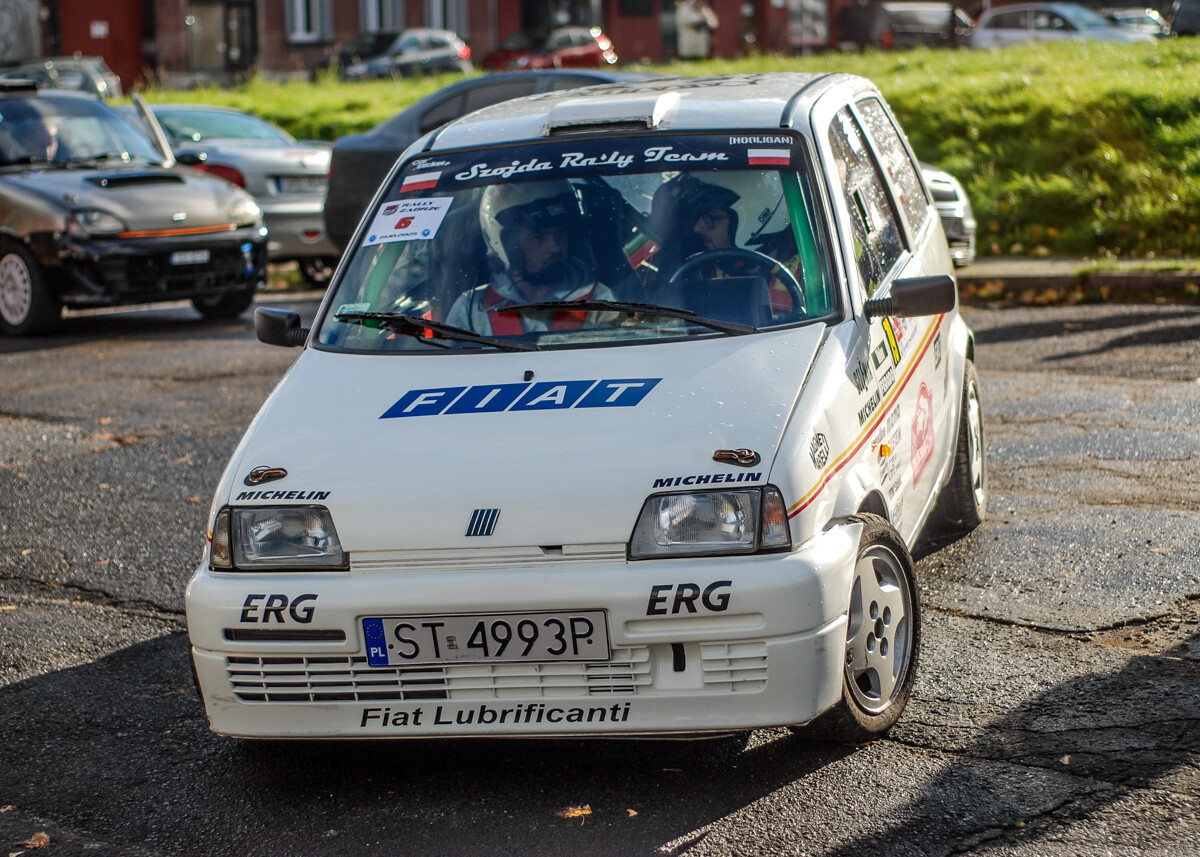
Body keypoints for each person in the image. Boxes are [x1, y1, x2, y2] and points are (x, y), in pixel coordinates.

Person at [445, 181, 618, 336]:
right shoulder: (471, 312)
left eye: (560, 233)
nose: (555, 247)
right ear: (507, 245)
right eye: (538, 237)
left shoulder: (600, 302)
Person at [632, 172, 802, 316]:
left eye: (711, 218)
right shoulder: (692, 271)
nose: (698, 228)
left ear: (752, 219)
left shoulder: (809, 272)